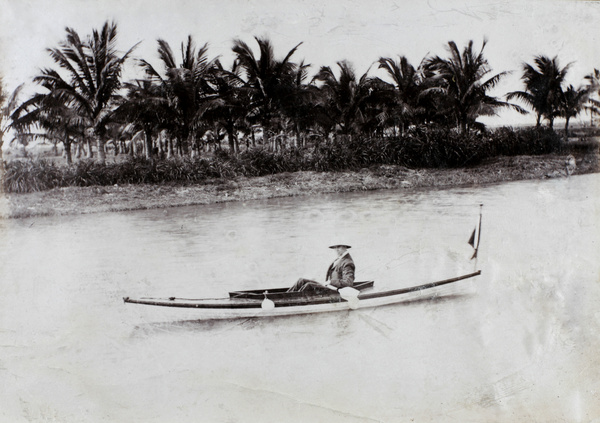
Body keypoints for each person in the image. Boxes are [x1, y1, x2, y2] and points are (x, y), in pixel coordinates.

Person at [287, 244, 355, 293]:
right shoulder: (340, 258)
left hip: (335, 291)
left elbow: (348, 282)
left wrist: (331, 282)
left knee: (309, 285)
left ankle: (289, 301)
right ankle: (286, 296)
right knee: (301, 280)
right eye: (335, 247)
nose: (336, 249)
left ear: (345, 247)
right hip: (329, 286)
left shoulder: (347, 262)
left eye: (339, 247)